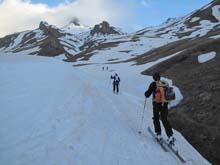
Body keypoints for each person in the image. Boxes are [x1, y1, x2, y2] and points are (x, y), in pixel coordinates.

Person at [144, 72, 175, 144]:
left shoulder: (153, 84)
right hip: (165, 104)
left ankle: (158, 134)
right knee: (164, 119)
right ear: (160, 77)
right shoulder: (165, 83)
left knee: (156, 118)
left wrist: (146, 94)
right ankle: (170, 136)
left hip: (157, 104)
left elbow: (148, 94)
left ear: (154, 78)